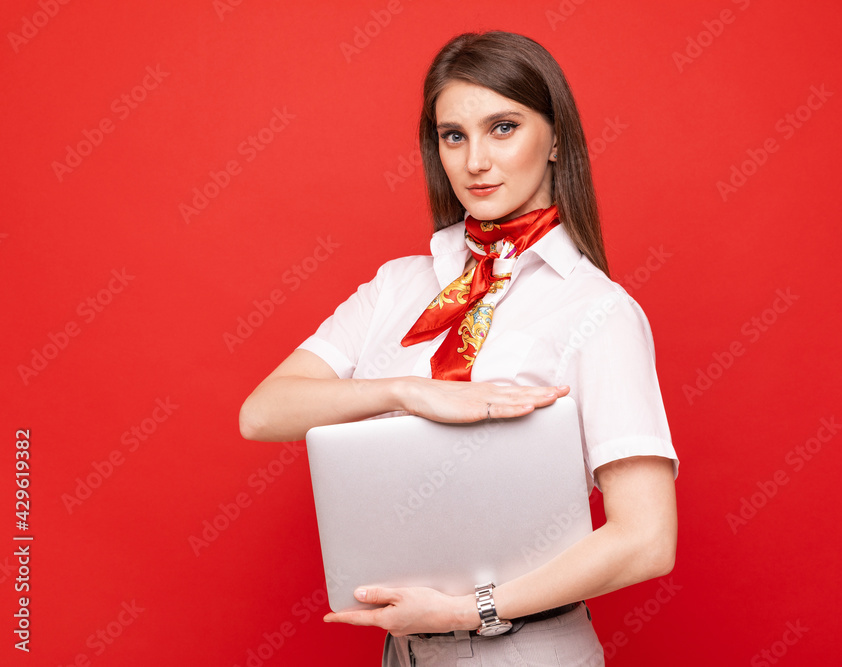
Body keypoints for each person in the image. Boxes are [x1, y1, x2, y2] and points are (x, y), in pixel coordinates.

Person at [240, 30, 678, 667]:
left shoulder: (599, 310)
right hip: (403, 652)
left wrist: (470, 610)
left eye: (503, 127)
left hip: (524, 650)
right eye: (454, 135)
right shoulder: (398, 285)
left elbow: (647, 539)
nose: (476, 160)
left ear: (556, 139)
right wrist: (408, 392)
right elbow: (261, 413)